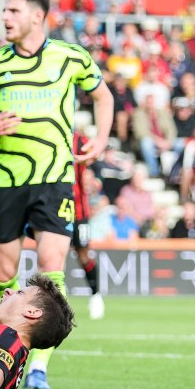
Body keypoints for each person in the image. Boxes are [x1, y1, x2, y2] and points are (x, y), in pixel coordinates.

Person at [0, 0, 113, 389]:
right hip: (8, 180)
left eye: (13, 11)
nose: (5, 17)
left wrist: (101, 139)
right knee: (4, 270)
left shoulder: (70, 57)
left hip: (54, 178)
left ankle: (39, 366)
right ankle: (4, 345)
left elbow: (103, 97)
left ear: (37, 16)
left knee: (51, 267)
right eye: (5, 11)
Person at [72, 132, 104, 320]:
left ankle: (96, 295)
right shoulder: (47, 132)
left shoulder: (80, 140)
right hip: (52, 208)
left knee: (83, 253)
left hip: (78, 210)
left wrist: (95, 179)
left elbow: (99, 164)